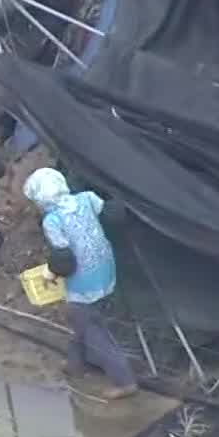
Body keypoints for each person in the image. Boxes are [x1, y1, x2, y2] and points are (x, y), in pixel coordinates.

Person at [24, 167, 137, 400]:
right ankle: (76, 363)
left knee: (91, 328)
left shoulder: (52, 221)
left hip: (83, 280)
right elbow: (112, 213)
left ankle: (124, 380)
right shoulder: (87, 198)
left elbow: (64, 260)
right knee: (82, 319)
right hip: (105, 268)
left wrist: (49, 273)